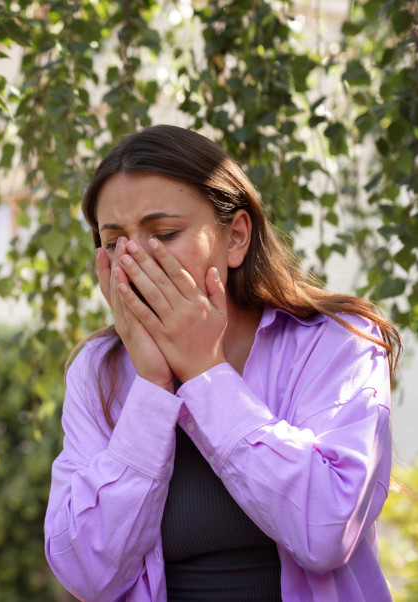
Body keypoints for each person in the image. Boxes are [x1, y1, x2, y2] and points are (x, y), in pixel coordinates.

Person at [44, 125, 400, 601]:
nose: (134, 259)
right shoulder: (98, 370)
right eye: (114, 242)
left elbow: (329, 529)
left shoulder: (338, 342)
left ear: (236, 237)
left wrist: (205, 374)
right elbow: (84, 572)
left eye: (164, 233)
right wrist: (152, 389)